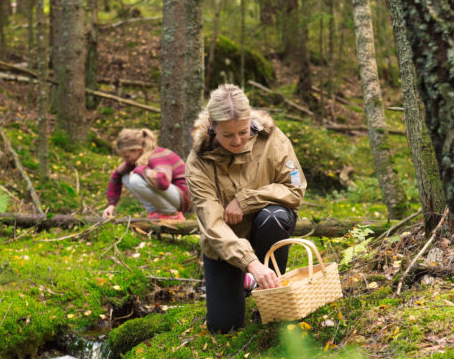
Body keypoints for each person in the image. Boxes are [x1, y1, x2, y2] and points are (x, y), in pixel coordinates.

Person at [186, 84, 306, 333]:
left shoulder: (272, 138)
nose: (237, 140)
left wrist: (246, 200)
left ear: (250, 120)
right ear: (213, 128)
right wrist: (251, 262)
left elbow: (295, 187)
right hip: (225, 243)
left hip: (267, 227)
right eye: (228, 135)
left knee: (273, 216)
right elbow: (213, 225)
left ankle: (272, 292)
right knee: (224, 327)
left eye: (242, 132)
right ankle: (248, 278)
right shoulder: (198, 162)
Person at [103, 128, 190, 220]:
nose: (126, 160)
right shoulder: (137, 158)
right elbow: (116, 175)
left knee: (135, 179)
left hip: (184, 197)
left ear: (138, 150)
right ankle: (154, 212)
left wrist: (140, 170)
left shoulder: (157, 155)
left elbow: (163, 182)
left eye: (127, 156)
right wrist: (111, 205)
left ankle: (172, 214)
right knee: (125, 177)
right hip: (171, 195)